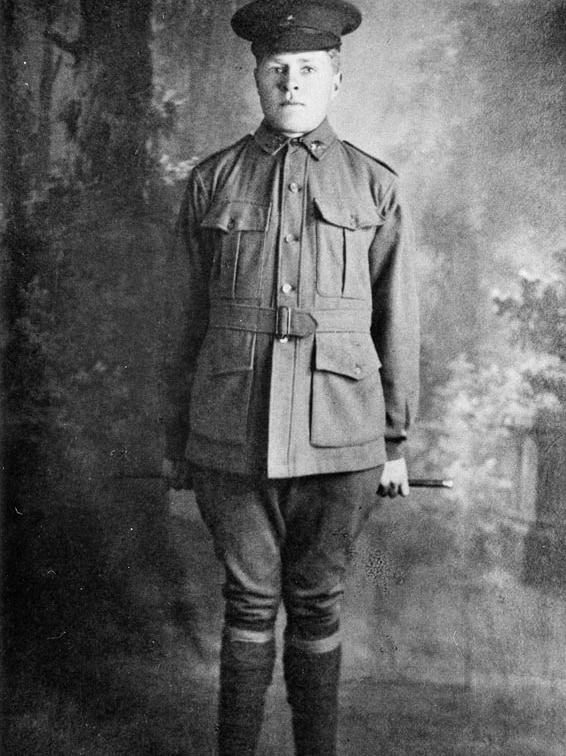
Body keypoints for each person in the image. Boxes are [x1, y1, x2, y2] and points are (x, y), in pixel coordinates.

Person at [163, 1, 419, 754]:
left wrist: (396, 441)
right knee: (246, 602)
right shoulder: (213, 181)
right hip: (228, 431)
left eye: (308, 68)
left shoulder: (376, 186)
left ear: (336, 78)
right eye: (277, 68)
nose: (291, 80)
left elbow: (398, 323)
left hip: (343, 435)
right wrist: (173, 437)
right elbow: (179, 324)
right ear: (257, 77)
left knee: (318, 602)